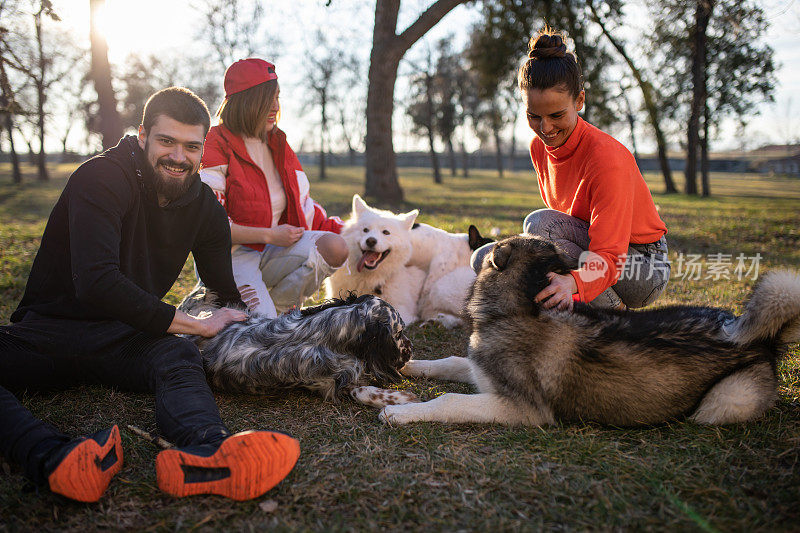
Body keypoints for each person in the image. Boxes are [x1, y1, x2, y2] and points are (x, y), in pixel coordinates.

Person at [0, 87, 300, 503]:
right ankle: (53, 457)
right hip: (51, 332)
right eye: (167, 142)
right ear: (142, 135)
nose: (179, 157)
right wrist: (193, 324)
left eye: (192, 147)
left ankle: (210, 453)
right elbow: (97, 281)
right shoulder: (101, 178)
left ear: (202, 149)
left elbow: (224, 290)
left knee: (178, 356)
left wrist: (268, 329)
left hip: (127, 338)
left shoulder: (204, 208)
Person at [472, 28, 670, 311]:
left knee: (541, 226)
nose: (545, 128)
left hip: (640, 264)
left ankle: (616, 324)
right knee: (484, 257)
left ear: (579, 101)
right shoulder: (538, 148)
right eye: (533, 116)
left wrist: (573, 283)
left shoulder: (606, 158)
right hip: (590, 246)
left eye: (556, 115)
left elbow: (610, 255)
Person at [200, 58, 348, 317]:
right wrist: (269, 235)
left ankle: (278, 313)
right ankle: (263, 317)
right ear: (245, 100)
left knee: (335, 247)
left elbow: (304, 206)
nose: (275, 106)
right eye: (267, 98)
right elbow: (209, 225)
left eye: (278, 97)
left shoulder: (278, 143)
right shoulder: (215, 143)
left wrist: (354, 230)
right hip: (231, 257)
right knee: (259, 333)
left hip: (272, 250)